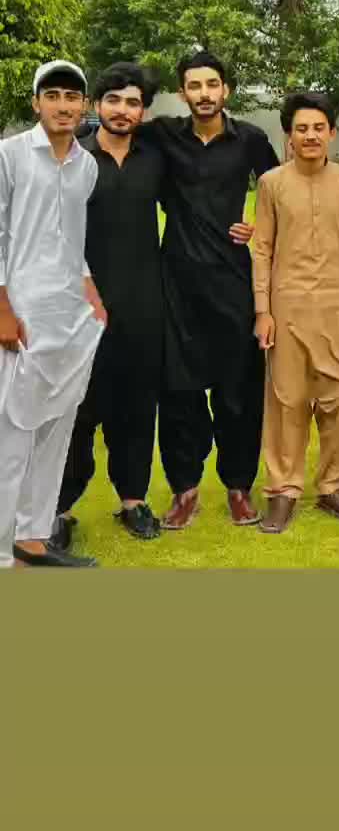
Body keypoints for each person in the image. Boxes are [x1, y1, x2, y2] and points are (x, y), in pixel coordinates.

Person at [141, 50, 279, 532]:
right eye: (194, 86)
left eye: (212, 84)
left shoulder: (251, 140)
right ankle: (185, 490)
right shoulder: (163, 136)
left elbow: (280, 193)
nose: (204, 94)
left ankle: (239, 487)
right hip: (176, 286)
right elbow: (115, 134)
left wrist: (257, 226)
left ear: (226, 90)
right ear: (183, 93)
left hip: (233, 285)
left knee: (238, 393)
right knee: (178, 395)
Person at [51, 62, 166, 552]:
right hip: (79, 310)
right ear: (97, 105)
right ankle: (58, 509)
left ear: (144, 111)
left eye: (133, 102)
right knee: (74, 411)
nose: (122, 110)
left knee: (137, 409)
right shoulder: (71, 158)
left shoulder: (155, 159)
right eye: (114, 100)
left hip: (143, 306)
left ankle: (133, 499)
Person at [252, 91, 339, 534]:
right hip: (286, 307)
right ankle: (283, 491)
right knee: (286, 401)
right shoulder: (271, 183)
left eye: (318, 128)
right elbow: (262, 249)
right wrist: (262, 310)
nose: (310, 136)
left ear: (331, 132)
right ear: (288, 136)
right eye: (301, 129)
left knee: (338, 400)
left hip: (336, 308)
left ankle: (334, 488)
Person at [0, 62, 107, 569]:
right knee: (13, 432)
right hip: (22, 314)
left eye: (72, 96)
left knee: (57, 429)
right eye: (53, 95)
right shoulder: (10, 155)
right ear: (37, 102)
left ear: (83, 106)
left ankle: (33, 538)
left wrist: (91, 294)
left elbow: (71, 241)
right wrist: (2, 308)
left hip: (70, 318)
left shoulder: (87, 167)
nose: (63, 106)